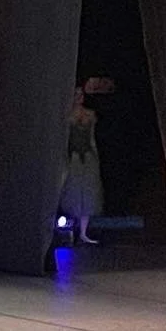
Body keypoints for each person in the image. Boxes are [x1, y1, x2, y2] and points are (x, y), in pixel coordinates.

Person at [61, 86, 103, 244]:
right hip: (73, 157)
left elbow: (91, 138)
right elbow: (65, 139)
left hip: (87, 156)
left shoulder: (90, 115)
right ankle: (70, 231)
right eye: (76, 95)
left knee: (87, 195)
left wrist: (95, 156)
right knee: (72, 193)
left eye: (81, 95)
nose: (79, 97)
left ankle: (83, 233)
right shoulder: (67, 116)